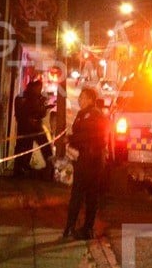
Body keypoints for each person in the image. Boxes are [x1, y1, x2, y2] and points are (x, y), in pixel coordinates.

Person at [63, 87, 109, 240]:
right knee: (81, 194)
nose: (79, 100)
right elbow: (79, 133)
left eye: (82, 97)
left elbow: (89, 135)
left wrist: (72, 139)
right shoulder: (82, 114)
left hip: (92, 160)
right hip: (83, 158)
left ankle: (85, 228)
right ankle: (72, 227)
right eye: (80, 97)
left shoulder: (95, 115)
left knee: (87, 195)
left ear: (90, 99)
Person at [13, 78, 52, 178]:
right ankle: (20, 169)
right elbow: (33, 112)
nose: (40, 90)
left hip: (31, 127)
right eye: (39, 88)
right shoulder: (26, 98)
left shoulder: (32, 97)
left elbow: (38, 113)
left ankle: (22, 168)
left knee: (29, 147)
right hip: (29, 128)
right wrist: (44, 107)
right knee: (26, 147)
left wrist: (44, 107)